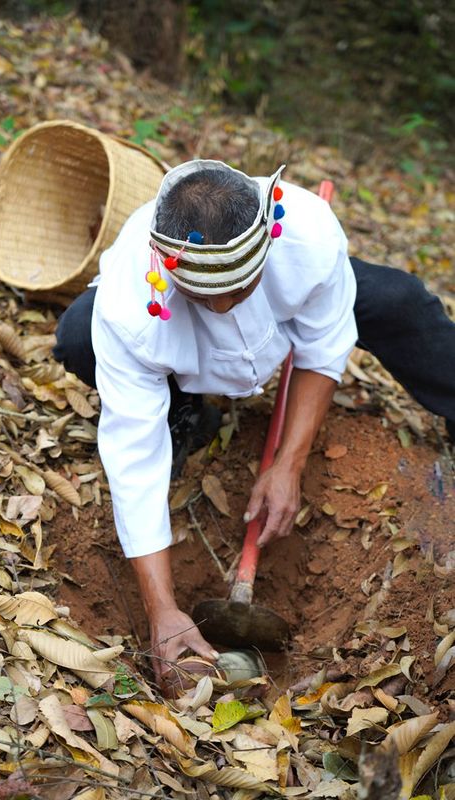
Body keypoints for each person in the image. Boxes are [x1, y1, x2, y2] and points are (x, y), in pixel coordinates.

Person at [53, 159, 455, 683]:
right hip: (163, 334)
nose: (222, 307)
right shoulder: (132, 303)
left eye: (239, 290)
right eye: (205, 297)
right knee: (77, 337)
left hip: (288, 305)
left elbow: (320, 349)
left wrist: (289, 463)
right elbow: (132, 455)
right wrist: (163, 613)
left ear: (266, 248)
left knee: (401, 300)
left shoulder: (306, 239)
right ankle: (188, 414)